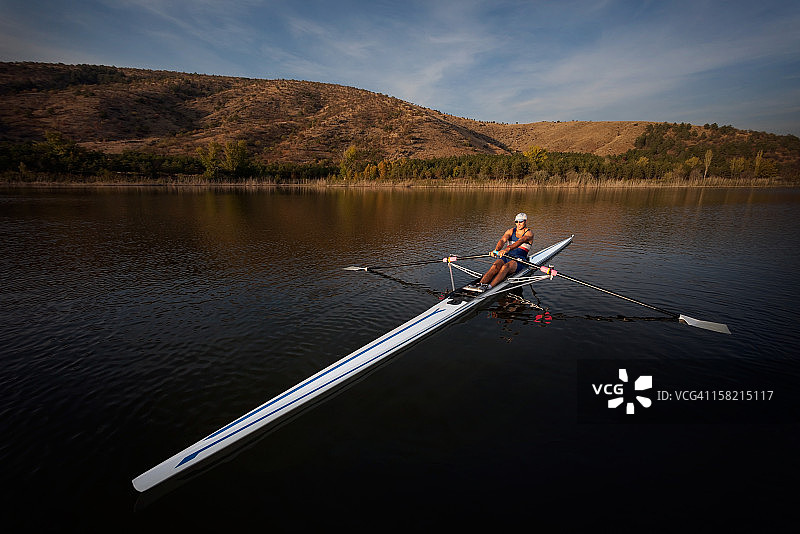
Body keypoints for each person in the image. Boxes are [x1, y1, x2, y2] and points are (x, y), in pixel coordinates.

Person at [465, 213, 533, 292]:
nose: (518, 224)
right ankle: (480, 285)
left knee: (505, 267)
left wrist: (508, 249)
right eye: (516, 221)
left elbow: (520, 241)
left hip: (520, 259)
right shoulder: (510, 231)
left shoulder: (529, 233)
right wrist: (496, 250)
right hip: (508, 256)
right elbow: (502, 240)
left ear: (525, 221)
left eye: (520, 221)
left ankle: (489, 288)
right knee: (495, 266)